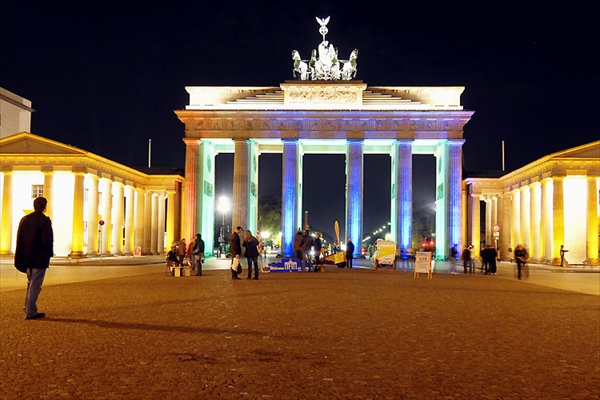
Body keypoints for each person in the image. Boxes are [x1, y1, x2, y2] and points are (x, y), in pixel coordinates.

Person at [14, 197, 54, 320]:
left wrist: (20, 255)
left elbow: (19, 239)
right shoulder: (44, 220)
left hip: (27, 257)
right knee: (35, 285)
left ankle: (28, 308)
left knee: (30, 284)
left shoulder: (25, 219)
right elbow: (47, 240)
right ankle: (30, 312)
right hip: (39, 258)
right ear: (44, 207)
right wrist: (49, 254)